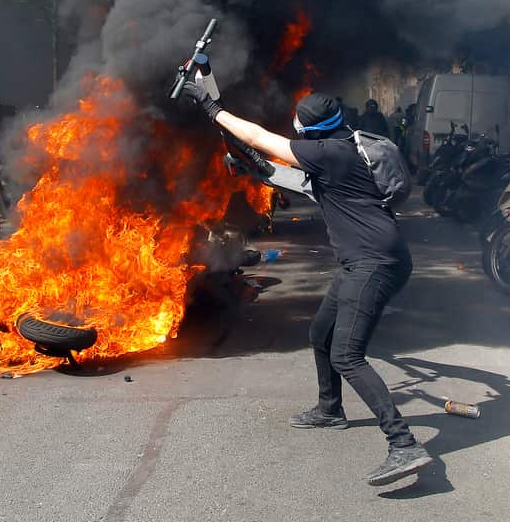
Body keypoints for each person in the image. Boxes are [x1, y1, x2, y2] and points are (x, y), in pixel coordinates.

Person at [181, 82, 432, 487]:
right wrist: (252, 164)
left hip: (374, 263)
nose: (294, 125)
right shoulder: (345, 145)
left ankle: (403, 444)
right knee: (321, 334)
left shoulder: (327, 153)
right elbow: (285, 174)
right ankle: (330, 409)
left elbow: (261, 138)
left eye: (299, 122)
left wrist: (212, 109)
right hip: (365, 260)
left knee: (348, 355)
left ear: (310, 129)